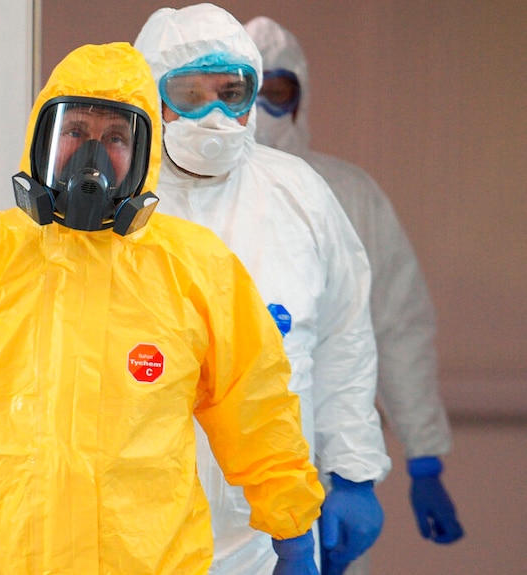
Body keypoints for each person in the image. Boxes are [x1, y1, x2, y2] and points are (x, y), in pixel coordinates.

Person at [0, 41, 325, 575]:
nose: (91, 154)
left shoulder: (197, 269)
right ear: (42, 138)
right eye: (75, 131)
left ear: (143, 153)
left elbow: (256, 403)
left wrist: (291, 528)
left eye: (116, 137)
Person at [133, 5, 392, 575]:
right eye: (190, 93)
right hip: (134, 527)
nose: (217, 114)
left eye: (232, 91)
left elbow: (344, 338)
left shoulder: (298, 194)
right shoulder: (117, 205)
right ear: (148, 94)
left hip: (274, 527)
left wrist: (352, 471)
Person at [246, 14, 464, 572]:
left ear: (301, 96)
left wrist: (424, 457)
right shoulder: (187, 200)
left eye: (279, 91)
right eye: (252, 90)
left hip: (325, 466)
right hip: (217, 463)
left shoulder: (346, 195)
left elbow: (396, 325)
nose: (265, 108)